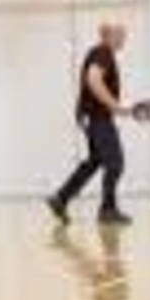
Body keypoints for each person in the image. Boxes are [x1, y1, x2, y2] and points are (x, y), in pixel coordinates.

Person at [48, 23, 134, 225]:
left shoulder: (101, 53)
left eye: (124, 35)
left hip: (91, 115)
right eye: (120, 35)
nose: (124, 39)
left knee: (95, 161)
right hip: (97, 117)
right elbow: (93, 80)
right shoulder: (102, 52)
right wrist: (115, 106)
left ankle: (60, 199)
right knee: (115, 163)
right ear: (108, 35)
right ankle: (108, 209)